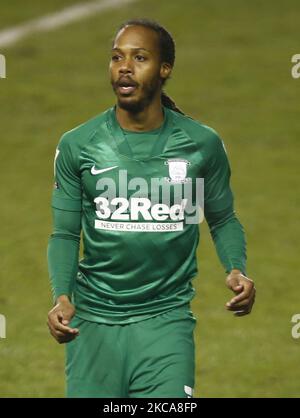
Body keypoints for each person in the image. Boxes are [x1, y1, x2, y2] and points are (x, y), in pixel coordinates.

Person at [47, 18, 256, 398]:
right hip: (92, 325)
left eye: (139, 57)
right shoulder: (78, 145)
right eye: (116, 57)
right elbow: (64, 232)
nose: (124, 67)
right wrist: (62, 296)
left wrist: (236, 269)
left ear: (164, 69)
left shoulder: (200, 144)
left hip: (166, 324)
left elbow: (222, 217)